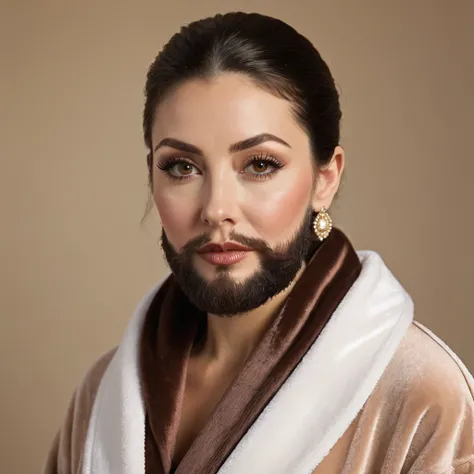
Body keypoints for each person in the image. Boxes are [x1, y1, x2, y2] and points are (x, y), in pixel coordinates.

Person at [43, 11, 474, 474]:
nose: (216, 208)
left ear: (325, 179)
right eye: (182, 167)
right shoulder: (103, 395)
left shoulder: (423, 396)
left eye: (260, 164)